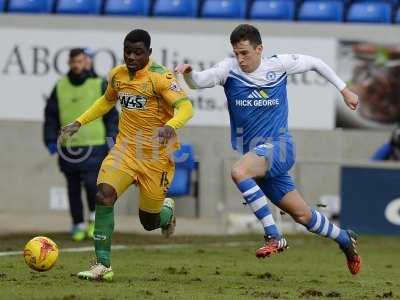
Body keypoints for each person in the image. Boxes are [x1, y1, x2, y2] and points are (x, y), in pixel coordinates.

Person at [176, 24, 361, 275]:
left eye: (245, 53)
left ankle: (273, 235)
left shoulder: (279, 65)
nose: (240, 59)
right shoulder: (227, 70)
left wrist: (345, 90)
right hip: (258, 156)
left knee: (239, 172)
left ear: (259, 49)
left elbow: (317, 63)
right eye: (236, 53)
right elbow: (197, 82)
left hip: (280, 147)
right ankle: (344, 238)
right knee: (303, 216)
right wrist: (188, 73)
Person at [59, 29, 194, 281]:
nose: (131, 57)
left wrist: (170, 126)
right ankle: (102, 265)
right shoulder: (117, 75)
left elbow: (186, 108)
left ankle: (166, 213)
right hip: (125, 150)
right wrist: (78, 122)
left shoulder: (161, 77)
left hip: (156, 157)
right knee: (104, 194)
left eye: (138, 52)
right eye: (127, 51)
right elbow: (106, 101)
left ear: (149, 53)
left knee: (149, 222)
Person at [43, 48, 119, 242]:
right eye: (73, 62)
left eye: (80, 61)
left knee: (92, 185)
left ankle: (94, 218)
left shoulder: (99, 84)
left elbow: (111, 115)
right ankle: (77, 224)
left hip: (95, 145)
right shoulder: (60, 86)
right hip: (69, 147)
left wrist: (112, 138)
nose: (77, 65)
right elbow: (51, 115)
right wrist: (51, 139)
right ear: (69, 63)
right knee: (72, 187)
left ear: (87, 62)